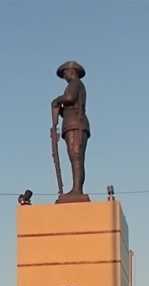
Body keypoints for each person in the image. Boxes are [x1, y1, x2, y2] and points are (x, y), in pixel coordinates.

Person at [52, 60, 91, 201]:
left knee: (76, 158)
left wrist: (57, 100)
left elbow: (69, 97)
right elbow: (69, 106)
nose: (64, 76)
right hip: (73, 123)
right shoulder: (74, 85)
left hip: (76, 124)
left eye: (65, 73)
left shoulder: (74, 84)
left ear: (72, 71)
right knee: (76, 158)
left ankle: (77, 190)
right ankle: (76, 189)